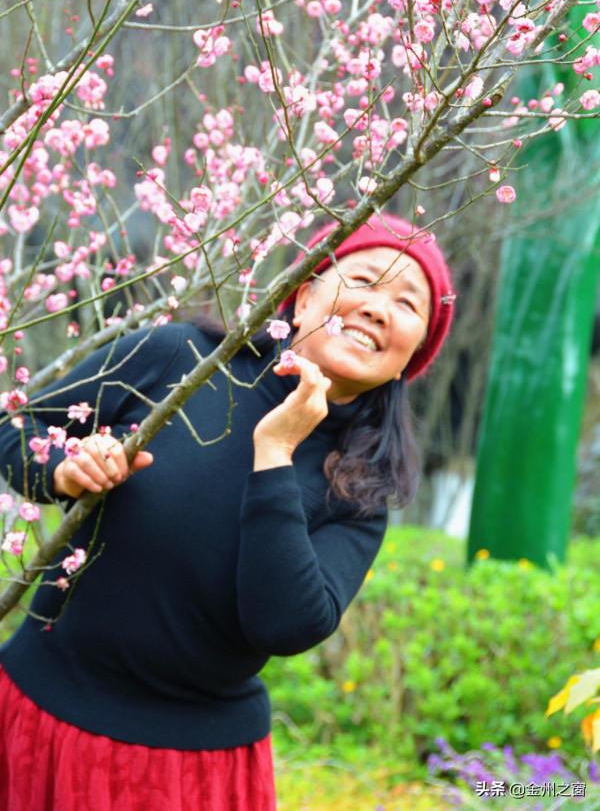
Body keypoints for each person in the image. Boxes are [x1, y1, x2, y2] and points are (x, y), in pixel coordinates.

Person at [0, 213, 454, 811]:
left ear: (411, 359)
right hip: (34, 718)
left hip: (191, 772)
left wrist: (276, 451)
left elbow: (285, 624)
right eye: (366, 279)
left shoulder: (361, 492)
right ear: (302, 293)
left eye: (407, 303)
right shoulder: (182, 360)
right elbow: (18, 430)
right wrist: (64, 470)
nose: (378, 308)